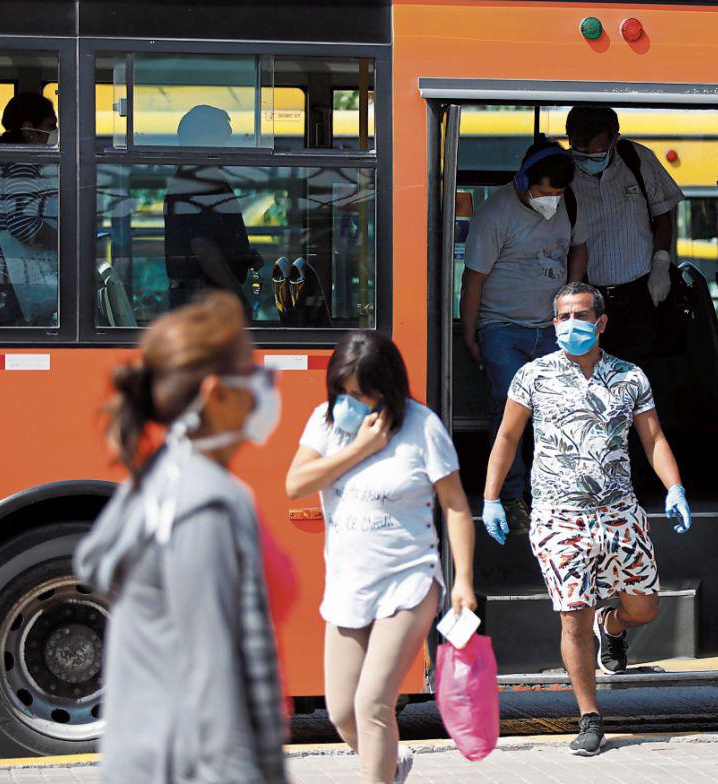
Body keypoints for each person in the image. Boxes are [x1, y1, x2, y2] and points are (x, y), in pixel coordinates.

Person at [73, 291, 286, 784]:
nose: (263, 387)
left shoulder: (160, 481)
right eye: (251, 374)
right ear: (216, 394)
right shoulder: (202, 503)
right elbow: (215, 684)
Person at [481, 282, 692, 756]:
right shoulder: (532, 376)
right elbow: (508, 438)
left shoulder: (630, 377)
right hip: (560, 519)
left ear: (600, 323)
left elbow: (653, 438)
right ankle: (590, 717)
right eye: (561, 317)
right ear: (553, 323)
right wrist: (492, 496)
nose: (569, 324)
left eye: (580, 315)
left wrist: (674, 487)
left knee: (644, 608)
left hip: (620, 514)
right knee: (572, 617)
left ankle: (613, 627)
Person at [285, 330, 477, 784]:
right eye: (343, 392)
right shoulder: (327, 422)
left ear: (387, 386)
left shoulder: (421, 426)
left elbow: (454, 506)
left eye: (362, 393)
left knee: (373, 704)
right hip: (348, 585)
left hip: (409, 581)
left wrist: (463, 579)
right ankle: (390, 765)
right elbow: (296, 484)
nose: (352, 402)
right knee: (341, 712)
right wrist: (359, 449)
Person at [460, 139, 587, 533]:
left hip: (552, 328)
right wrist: (470, 336)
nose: (552, 200)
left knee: (564, 408)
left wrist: (572, 300)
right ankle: (512, 496)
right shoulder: (495, 214)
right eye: (545, 192)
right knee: (510, 412)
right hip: (502, 328)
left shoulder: (569, 203)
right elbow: (473, 281)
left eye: (558, 193)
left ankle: (560, 494)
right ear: (524, 179)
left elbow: (578, 249)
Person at [565, 107, 685, 367]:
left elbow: (663, 215)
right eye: (579, 151)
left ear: (614, 140)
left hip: (640, 293)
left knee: (639, 374)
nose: (587, 157)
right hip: (587, 294)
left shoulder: (637, 160)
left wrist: (661, 265)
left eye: (595, 152)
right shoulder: (563, 172)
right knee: (588, 371)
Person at [165, 104, 262, 314]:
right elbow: (203, 246)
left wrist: (241, 255)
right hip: (204, 300)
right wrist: (235, 294)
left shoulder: (196, 177)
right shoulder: (198, 180)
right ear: (205, 139)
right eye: (223, 140)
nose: (227, 148)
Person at [0, 92, 59, 326]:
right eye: (50, 127)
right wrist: (65, 240)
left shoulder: (2, 161)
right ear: (29, 129)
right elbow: (22, 225)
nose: (54, 134)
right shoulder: (21, 165)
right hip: (10, 283)